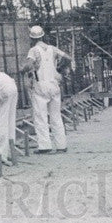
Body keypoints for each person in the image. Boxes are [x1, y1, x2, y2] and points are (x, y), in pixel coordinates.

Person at [23, 25, 72, 153]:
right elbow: (68, 58)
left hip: (41, 86)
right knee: (56, 116)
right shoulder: (52, 48)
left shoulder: (33, 50)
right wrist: (60, 70)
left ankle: (45, 146)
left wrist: (25, 69)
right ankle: (61, 145)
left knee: (41, 117)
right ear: (43, 35)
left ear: (31, 38)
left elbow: (28, 66)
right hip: (54, 85)